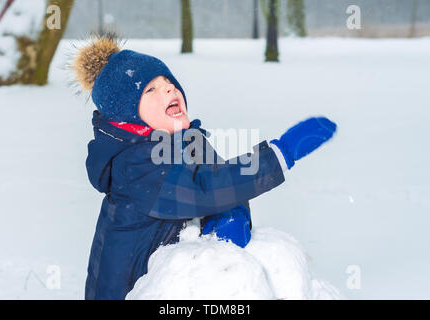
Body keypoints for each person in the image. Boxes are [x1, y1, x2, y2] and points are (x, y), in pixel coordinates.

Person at [71, 35, 337, 300]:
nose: (168, 90)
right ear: (127, 117)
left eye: (169, 83)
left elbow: (224, 184)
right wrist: (279, 155)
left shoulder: (190, 141)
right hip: (125, 290)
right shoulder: (136, 165)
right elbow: (206, 188)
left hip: (173, 283)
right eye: (150, 90)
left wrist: (233, 214)